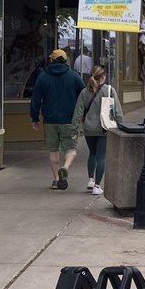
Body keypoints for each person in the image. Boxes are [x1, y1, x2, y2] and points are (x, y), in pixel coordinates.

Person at [29, 49, 85, 190]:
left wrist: (35, 118)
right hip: (69, 120)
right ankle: (65, 167)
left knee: (53, 150)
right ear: (66, 60)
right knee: (71, 150)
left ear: (51, 60)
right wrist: (82, 115)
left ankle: (55, 179)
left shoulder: (43, 77)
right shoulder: (74, 76)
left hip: (50, 120)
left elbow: (35, 100)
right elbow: (83, 96)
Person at [72, 65, 123, 196]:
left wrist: (74, 129)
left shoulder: (84, 92)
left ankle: (90, 179)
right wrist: (122, 125)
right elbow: (117, 112)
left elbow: (78, 113)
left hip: (89, 128)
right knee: (101, 156)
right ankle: (97, 186)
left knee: (92, 153)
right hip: (104, 128)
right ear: (103, 77)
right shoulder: (110, 91)